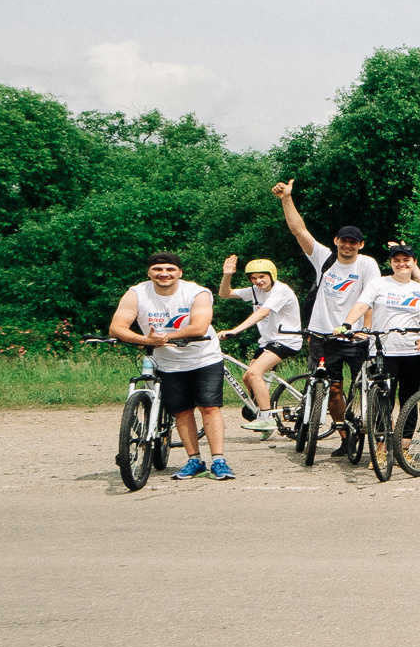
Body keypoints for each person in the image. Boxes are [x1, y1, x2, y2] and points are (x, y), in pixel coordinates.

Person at [109, 251, 230, 479]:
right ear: (149, 273)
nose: (164, 274)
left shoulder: (197, 292)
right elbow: (117, 327)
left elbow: (199, 327)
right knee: (182, 411)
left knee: (209, 407)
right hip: (167, 362)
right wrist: (146, 340)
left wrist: (164, 337)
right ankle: (194, 460)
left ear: (180, 273)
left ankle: (219, 460)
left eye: (170, 269)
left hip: (203, 357)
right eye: (158, 269)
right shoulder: (136, 293)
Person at [272, 180, 378, 427]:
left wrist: (364, 329)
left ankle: (363, 421)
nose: (348, 245)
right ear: (336, 241)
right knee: (331, 389)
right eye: (344, 240)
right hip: (322, 334)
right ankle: (342, 433)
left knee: (364, 385)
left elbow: (369, 298)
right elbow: (299, 230)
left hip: (355, 336)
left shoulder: (367, 264)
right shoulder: (324, 258)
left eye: (353, 242)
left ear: (361, 245)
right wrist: (286, 199)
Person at [344, 242, 420, 407]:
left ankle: (406, 434)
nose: (401, 263)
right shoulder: (378, 284)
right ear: (390, 263)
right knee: (383, 397)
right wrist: (346, 324)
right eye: (396, 260)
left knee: (409, 397)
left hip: (413, 351)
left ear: (414, 262)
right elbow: (362, 305)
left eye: (406, 259)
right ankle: (381, 431)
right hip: (384, 349)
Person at [216, 255, 303, 433]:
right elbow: (224, 294)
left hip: (287, 340)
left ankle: (266, 417)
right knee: (248, 377)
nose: (258, 281)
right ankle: (261, 409)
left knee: (255, 373)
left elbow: (262, 313)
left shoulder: (281, 290)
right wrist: (227, 275)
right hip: (268, 341)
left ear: (272, 275)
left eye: (262, 277)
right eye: (254, 278)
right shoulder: (256, 291)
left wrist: (235, 330)